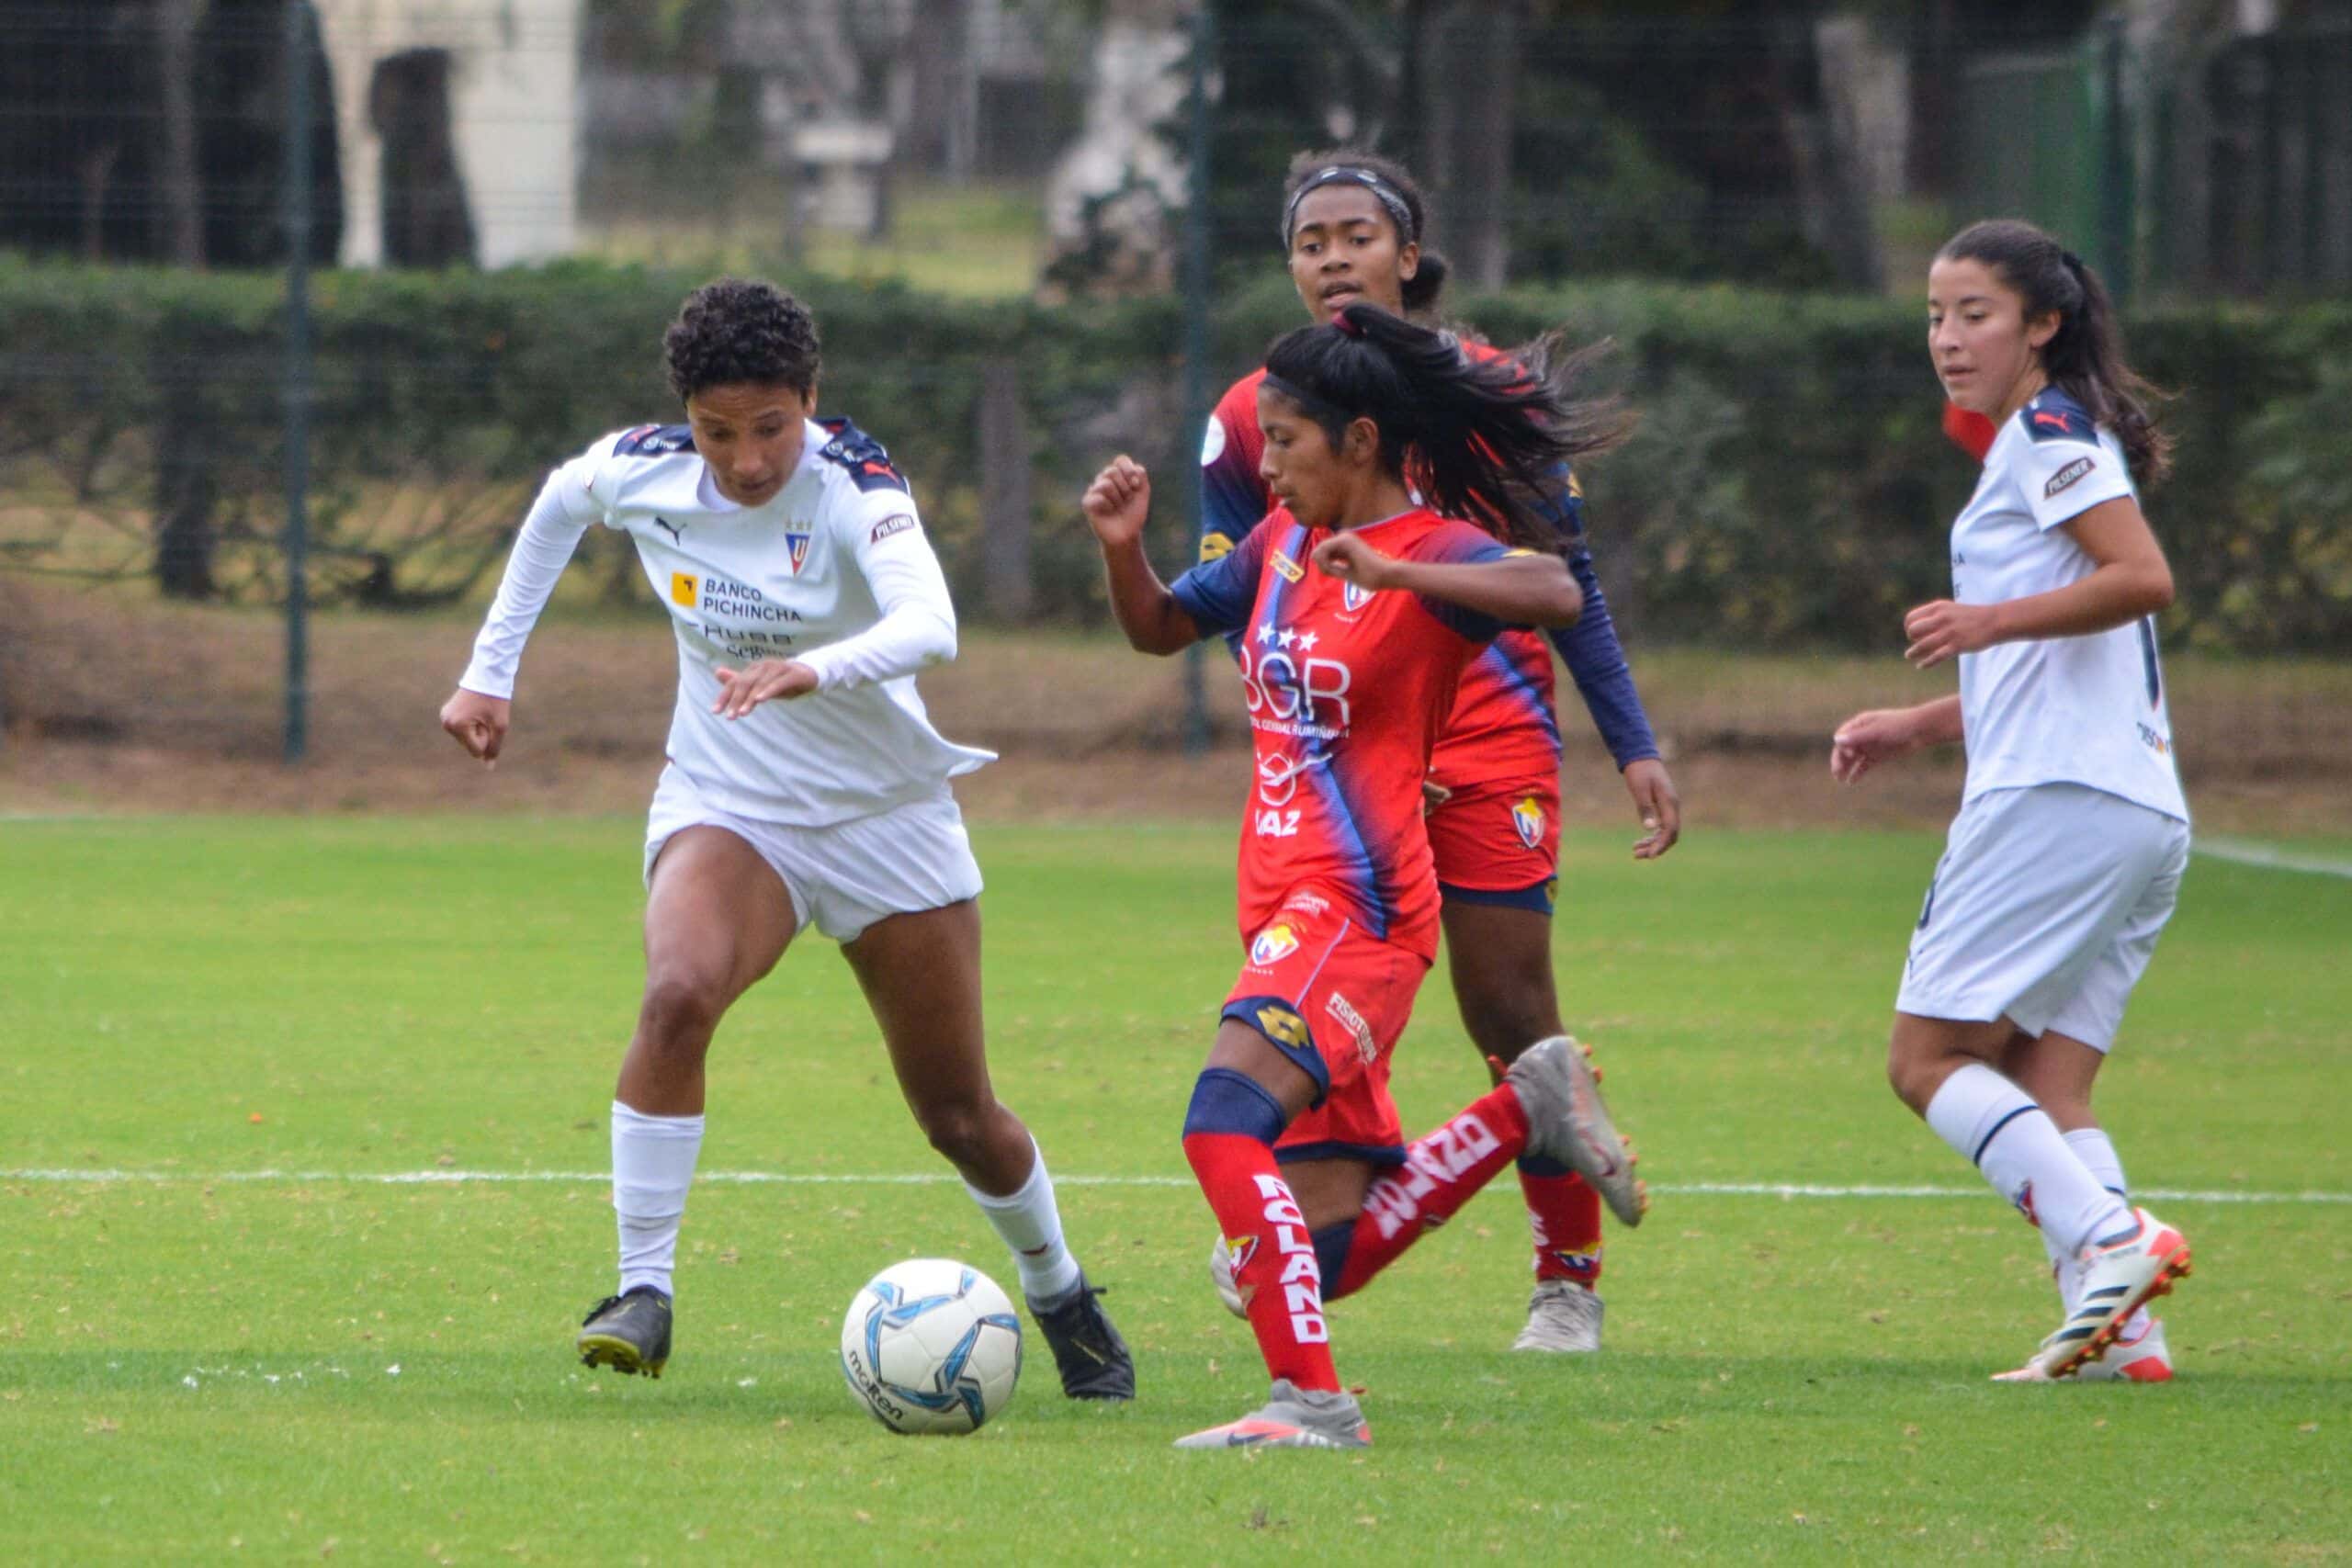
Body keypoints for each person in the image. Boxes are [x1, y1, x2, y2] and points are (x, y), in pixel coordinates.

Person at [438, 277, 1132, 1401]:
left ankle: (1057, 1290)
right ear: (687, 418)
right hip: (732, 802)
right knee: (676, 994)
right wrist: (487, 673)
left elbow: (932, 626)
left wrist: (817, 667)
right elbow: (558, 507)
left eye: (770, 427)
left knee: (960, 1117)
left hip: (884, 818)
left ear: (811, 399)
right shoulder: (644, 466)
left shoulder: (858, 482)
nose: (748, 458)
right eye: (720, 432)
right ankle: (642, 1289)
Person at [1084, 302, 1646, 1450]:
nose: (1267, 462)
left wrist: (1390, 572)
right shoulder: (1277, 545)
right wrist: (1119, 548)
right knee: (1319, 1255)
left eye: (1285, 440)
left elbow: (1551, 591)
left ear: (1359, 442)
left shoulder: (1431, 551)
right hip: (1282, 910)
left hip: (1361, 906)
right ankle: (1522, 1107)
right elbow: (1157, 631)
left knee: (1217, 1123)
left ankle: (1313, 1408)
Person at [1195, 149, 1678, 1352]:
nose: (1332, 258)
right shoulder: (1253, 415)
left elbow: (1570, 584)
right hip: (1350, 743)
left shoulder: (1485, 391)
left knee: (1509, 1003)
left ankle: (1567, 1277)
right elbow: (1233, 589)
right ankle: (1314, 1189)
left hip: (1490, 724)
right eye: (1310, 240)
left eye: (1356, 235)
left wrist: (1631, 741)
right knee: (1333, 994)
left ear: (1406, 255)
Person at [1831, 220, 2192, 1382]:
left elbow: (2141, 579)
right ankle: (2124, 1335)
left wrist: (1980, 622)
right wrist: (1921, 723)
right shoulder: (2043, 438)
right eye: (1934, 316)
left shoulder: (2045, 432)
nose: (1946, 338)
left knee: (1925, 1058)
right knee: (2047, 1079)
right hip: (2136, 808)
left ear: (2042, 323)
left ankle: (2110, 1242)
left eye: (1972, 313)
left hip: (2058, 802)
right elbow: (2058, 661)